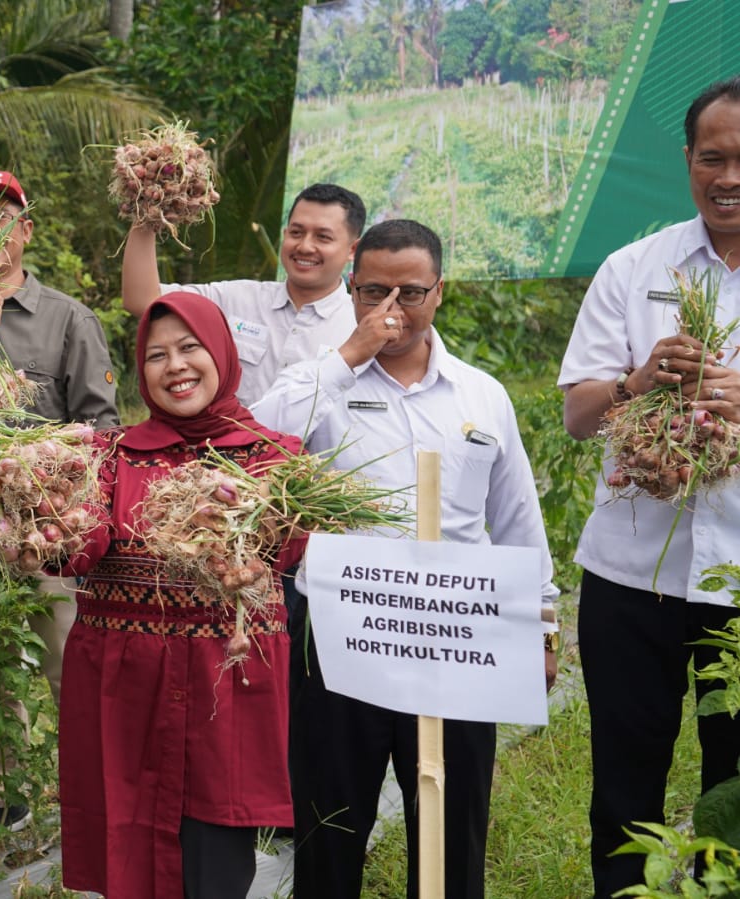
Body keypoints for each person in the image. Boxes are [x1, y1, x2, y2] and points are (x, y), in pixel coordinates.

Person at [250, 219, 558, 899]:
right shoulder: (319, 384)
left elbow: (515, 518)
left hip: (454, 637)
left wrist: (541, 623)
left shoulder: (481, 395)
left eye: (410, 291)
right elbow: (257, 440)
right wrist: (348, 354)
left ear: (439, 291)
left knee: (451, 826)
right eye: (372, 291)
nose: (392, 309)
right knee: (329, 824)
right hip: (341, 637)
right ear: (351, 291)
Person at [556, 75, 740, 899]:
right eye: (712, 157)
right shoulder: (636, 266)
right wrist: (637, 384)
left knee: (733, 796)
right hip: (634, 582)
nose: (727, 176)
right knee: (624, 788)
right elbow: (576, 415)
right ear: (688, 161)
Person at [57, 293, 302, 899]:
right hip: (125, 682)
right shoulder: (108, 455)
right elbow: (77, 552)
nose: (175, 367)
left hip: (226, 683)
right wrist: (40, 509)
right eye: (157, 355)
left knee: (217, 848)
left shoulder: (276, 457)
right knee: (129, 840)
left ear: (220, 352)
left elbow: (287, 554)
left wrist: (244, 526)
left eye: (190, 348)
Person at [0, 169, 121, 854]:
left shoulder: (66, 318)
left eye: (0, 218)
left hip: (46, 535)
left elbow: (101, 429)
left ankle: (93, 797)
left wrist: (42, 477)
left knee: (68, 664)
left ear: (26, 231)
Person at [122, 182, 366, 405]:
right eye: (296, 233)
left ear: (353, 250)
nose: (304, 246)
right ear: (284, 235)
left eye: (323, 237)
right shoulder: (236, 298)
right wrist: (147, 211)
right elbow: (143, 300)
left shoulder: (359, 327)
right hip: (225, 453)